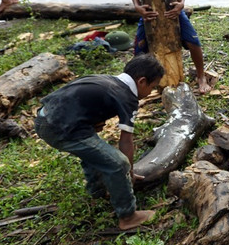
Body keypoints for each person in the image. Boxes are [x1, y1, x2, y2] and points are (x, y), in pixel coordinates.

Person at [34, 54, 164, 231]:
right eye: (153, 87)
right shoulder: (128, 97)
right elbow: (126, 141)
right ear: (142, 81)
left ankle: (99, 191)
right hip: (60, 128)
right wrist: (130, 172)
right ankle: (128, 216)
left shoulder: (107, 80)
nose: (151, 92)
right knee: (118, 163)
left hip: (47, 117)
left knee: (95, 153)